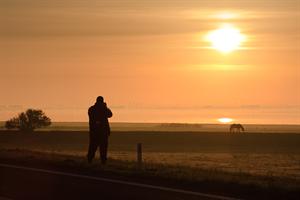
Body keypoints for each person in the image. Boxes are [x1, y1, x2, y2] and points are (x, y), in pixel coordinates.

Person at [87, 96, 113, 164]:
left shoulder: (91, 109)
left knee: (93, 147)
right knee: (101, 148)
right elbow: (109, 114)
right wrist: (105, 107)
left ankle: (90, 161)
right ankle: (101, 162)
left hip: (96, 132)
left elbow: (110, 115)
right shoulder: (98, 109)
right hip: (100, 132)